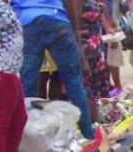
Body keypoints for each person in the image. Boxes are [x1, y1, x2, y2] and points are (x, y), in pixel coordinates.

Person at [12, 0, 95, 139]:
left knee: (28, 86)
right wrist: (75, 31)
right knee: (74, 82)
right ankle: (88, 135)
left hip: (27, 25)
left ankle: (27, 139)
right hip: (57, 22)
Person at [0, 0, 27, 152]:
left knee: (19, 118)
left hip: (10, 71)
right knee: (1, 125)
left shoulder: (3, 5)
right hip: (1, 72)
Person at [80, 0, 115, 122]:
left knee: (100, 81)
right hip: (84, 47)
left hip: (97, 47)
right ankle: (91, 121)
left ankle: (104, 118)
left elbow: (101, 16)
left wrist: (109, 29)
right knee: (87, 85)